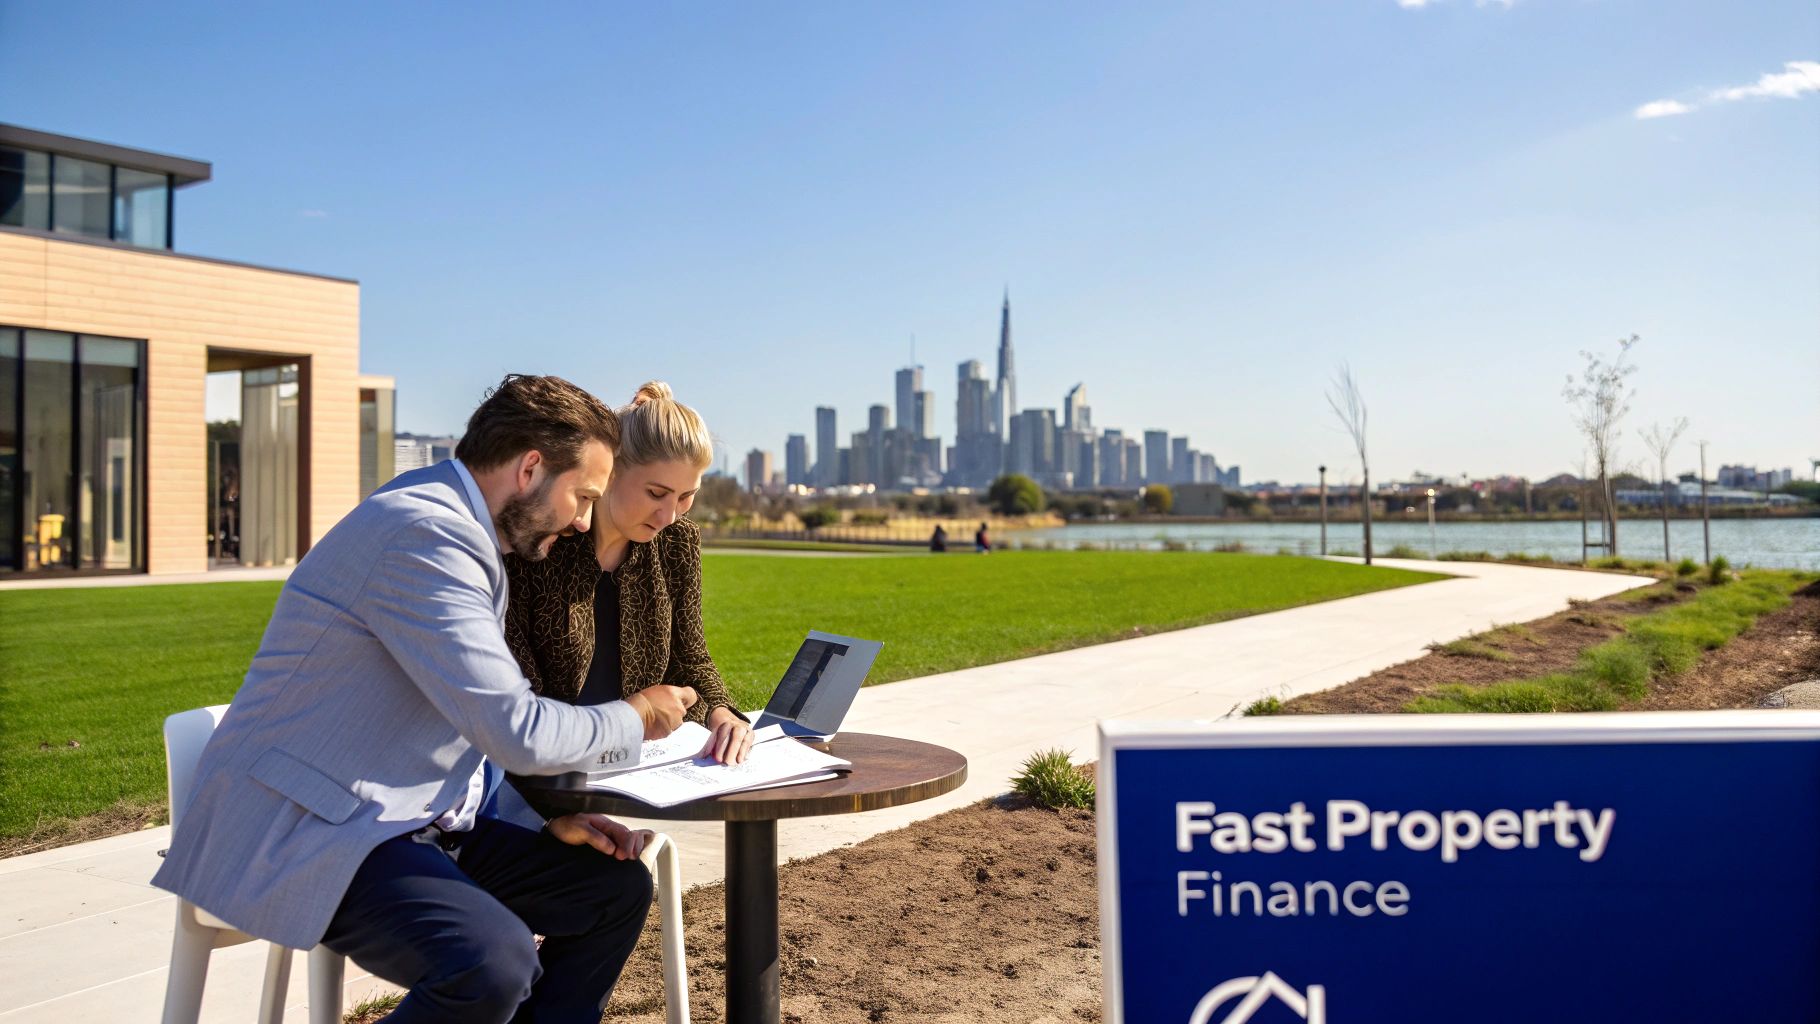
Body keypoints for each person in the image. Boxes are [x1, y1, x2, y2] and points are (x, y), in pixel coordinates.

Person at [152, 375, 699, 1024]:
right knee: (489, 962)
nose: (583, 521)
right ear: (530, 468)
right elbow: (514, 729)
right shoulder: (425, 535)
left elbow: (461, 727)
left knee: (609, 891)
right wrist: (636, 716)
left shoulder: (459, 530)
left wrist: (539, 824)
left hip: (408, 820)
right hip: (312, 828)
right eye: (582, 497)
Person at [505, 381, 754, 766]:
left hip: (640, 768)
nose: (669, 515)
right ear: (611, 471)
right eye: (656, 494)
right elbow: (520, 703)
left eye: (686, 496)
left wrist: (721, 713)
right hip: (547, 769)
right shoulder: (542, 542)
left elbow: (689, 659)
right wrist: (632, 716)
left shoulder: (677, 541)